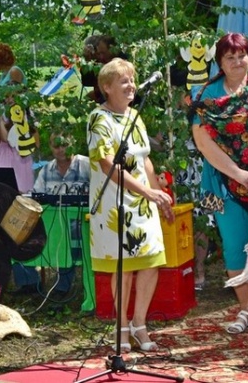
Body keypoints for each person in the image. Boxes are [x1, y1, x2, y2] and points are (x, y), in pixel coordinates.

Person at [189, 32, 248, 335]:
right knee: (232, 246)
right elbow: (203, 143)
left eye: (242, 55)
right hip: (218, 184)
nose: (237, 61)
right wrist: (238, 174)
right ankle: (245, 309)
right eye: (230, 56)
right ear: (220, 62)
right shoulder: (204, 94)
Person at [87, 58, 174, 353]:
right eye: (123, 81)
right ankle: (121, 326)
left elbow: (144, 159)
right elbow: (107, 163)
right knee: (123, 269)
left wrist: (158, 194)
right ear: (106, 87)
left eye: (132, 79)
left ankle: (139, 323)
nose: (131, 85)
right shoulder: (99, 119)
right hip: (115, 205)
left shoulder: (136, 116)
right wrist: (148, 193)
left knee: (150, 262)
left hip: (143, 202)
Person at [14, 133, 91, 295]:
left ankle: (62, 288)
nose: (60, 149)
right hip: (52, 227)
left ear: (73, 143)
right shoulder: (46, 169)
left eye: (64, 144)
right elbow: (36, 195)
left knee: (67, 242)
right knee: (18, 237)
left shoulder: (88, 165)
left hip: (80, 226)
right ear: (50, 147)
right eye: (56, 146)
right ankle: (30, 285)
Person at [82, 34, 127, 103]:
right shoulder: (98, 62)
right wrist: (87, 61)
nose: (101, 57)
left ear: (112, 49)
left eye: (103, 53)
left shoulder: (122, 61)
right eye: (99, 53)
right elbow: (87, 82)